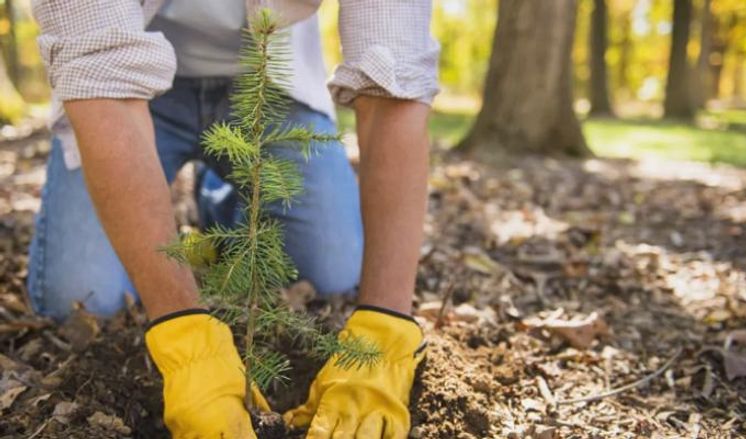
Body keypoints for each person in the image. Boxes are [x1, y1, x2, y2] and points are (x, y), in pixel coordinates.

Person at [28, 0, 439, 437]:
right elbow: (99, 68)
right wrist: (183, 335)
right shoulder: (107, 64)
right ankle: (202, 206)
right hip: (121, 83)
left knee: (333, 270)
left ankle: (221, 198)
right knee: (82, 297)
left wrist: (385, 326)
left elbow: (395, 74)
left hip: (267, 79)